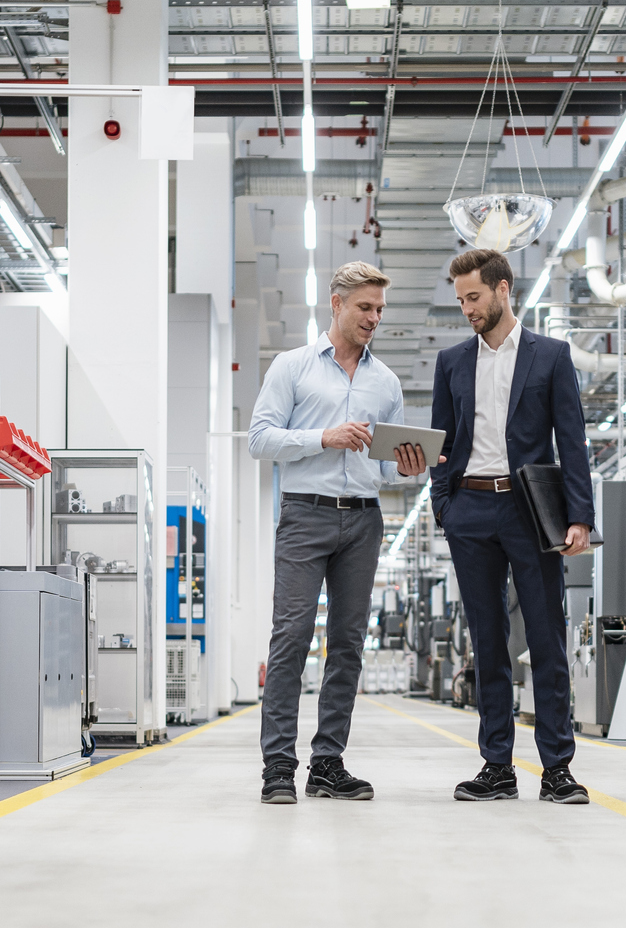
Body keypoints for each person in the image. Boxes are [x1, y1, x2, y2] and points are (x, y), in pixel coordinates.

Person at [248, 262, 429, 805]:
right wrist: (322, 438)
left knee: (348, 645)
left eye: (380, 309)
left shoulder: (386, 382)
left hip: (364, 520)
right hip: (305, 514)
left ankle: (327, 764)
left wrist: (410, 466)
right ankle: (278, 766)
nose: (374, 318)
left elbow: (390, 465)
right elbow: (260, 439)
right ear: (337, 304)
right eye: (365, 308)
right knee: (292, 638)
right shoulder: (293, 367)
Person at [427, 247, 594, 805]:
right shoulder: (452, 362)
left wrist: (579, 517)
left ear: (503, 290)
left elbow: (573, 442)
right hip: (471, 511)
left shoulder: (550, 356)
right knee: (488, 644)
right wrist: (444, 508)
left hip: (529, 512)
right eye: (460, 300)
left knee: (547, 639)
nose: (467, 308)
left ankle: (557, 770)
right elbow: (442, 446)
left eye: (473, 297)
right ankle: (497, 765)